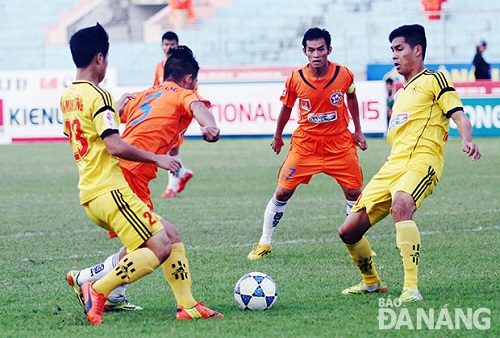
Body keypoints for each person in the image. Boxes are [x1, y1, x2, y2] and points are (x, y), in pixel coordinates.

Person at [61, 24, 222, 325]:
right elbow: (199, 108)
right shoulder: (184, 94)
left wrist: (118, 111)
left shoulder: (143, 94)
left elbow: (112, 124)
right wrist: (209, 126)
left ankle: (182, 304)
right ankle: (97, 287)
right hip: (125, 178)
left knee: (158, 239)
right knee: (157, 244)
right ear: (189, 79)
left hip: (116, 178)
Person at [338, 24, 481, 303]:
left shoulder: (434, 79)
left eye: (399, 48)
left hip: (422, 162)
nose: (394, 55)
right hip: (393, 166)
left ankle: (411, 288)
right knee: (348, 231)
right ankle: (371, 283)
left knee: (402, 205)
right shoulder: (401, 92)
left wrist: (467, 139)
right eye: (391, 49)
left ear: (417, 50)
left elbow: (460, 116)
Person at [247, 27, 368, 260]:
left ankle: (353, 241)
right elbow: (286, 107)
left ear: (329, 50)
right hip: (305, 145)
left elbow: (351, 96)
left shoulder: (344, 74)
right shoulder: (295, 78)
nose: (316, 54)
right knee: (282, 191)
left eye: (320, 49)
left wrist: (359, 131)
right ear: (304, 51)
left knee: (354, 192)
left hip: (339, 143)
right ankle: (264, 242)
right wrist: (278, 135)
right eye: (311, 49)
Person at [154, 31, 194, 198]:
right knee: (168, 149)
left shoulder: (184, 66)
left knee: (171, 148)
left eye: (172, 44)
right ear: (162, 46)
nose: (169, 47)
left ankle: (172, 186)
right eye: (166, 44)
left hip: (178, 112)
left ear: (176, 45)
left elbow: (192, 88)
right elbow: (156, 88)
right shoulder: (159, 66)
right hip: (165, 111)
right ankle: (182, 173)